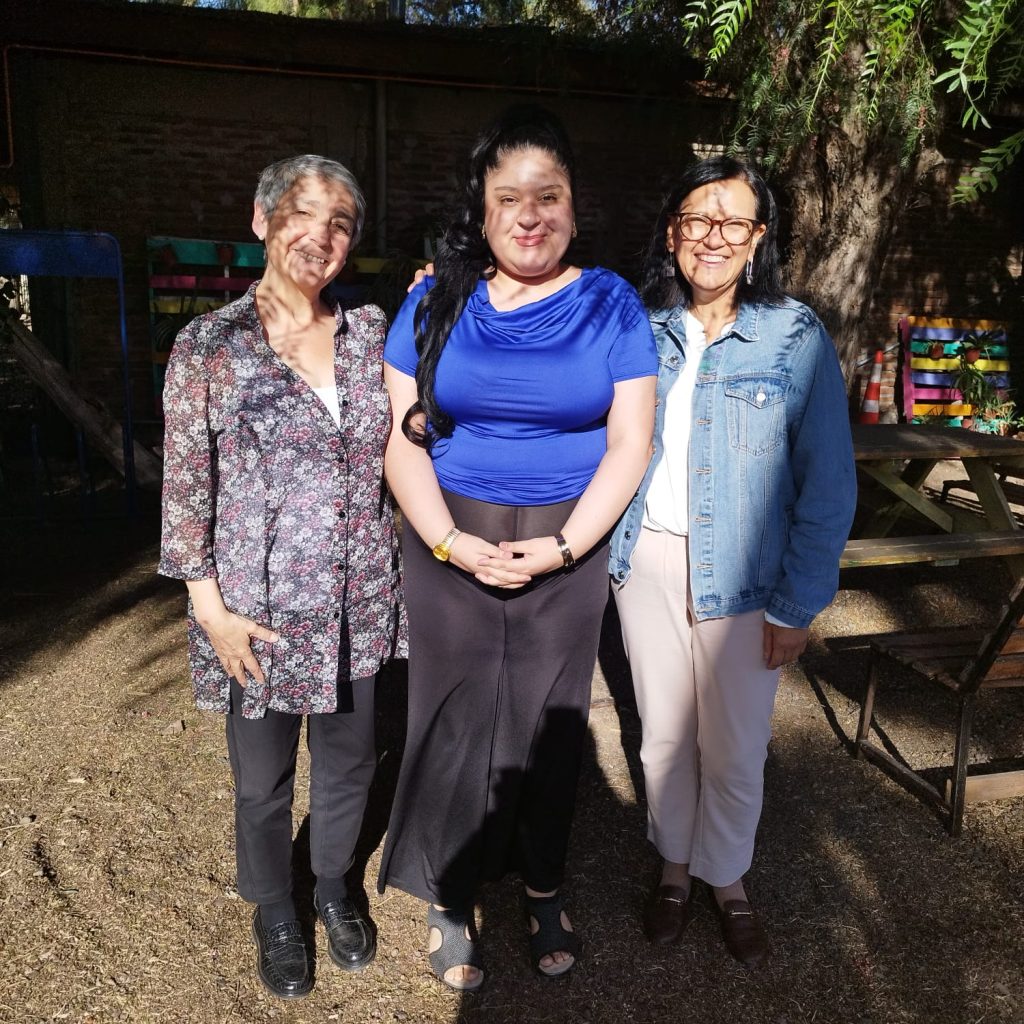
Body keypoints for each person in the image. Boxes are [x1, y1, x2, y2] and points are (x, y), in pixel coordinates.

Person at [377, 105, 657, 990]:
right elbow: (402, 438)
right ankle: (450, 894)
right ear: (483, 208)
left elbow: (630, 443)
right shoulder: (433, 298)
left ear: (574, 206)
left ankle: (542, 887)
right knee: (453, 713)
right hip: (446, 537)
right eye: (509, 198)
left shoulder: (612, 303)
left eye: (549, 195)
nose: (529, 214)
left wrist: (568, 547)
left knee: (549, 720)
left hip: (563, 545)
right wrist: (450, 541)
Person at [159, 155, 405, 1000]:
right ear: (261, 220)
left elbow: (423, 423)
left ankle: (334, 887)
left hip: (358, 600)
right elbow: (187, 486)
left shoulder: (374, 332)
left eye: (341, 224)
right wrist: (210, 610)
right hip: (253, 615)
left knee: (349, 766)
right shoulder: (209, 345)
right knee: (262, 779)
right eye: (304, 214)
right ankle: (273, 907)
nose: (322, 236)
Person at [608, 157, 856, 967]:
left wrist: (798, 604)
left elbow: (829, 482)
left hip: (748, 577)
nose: (711, 238)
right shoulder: (637, 326)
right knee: (662, 737)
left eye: (732, 223)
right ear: (673, 230)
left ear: (757, 240)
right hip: (646, 560)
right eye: (696, 220)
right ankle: (675, 868)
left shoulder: (793, 335)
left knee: (737, 744)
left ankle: (729, 878)